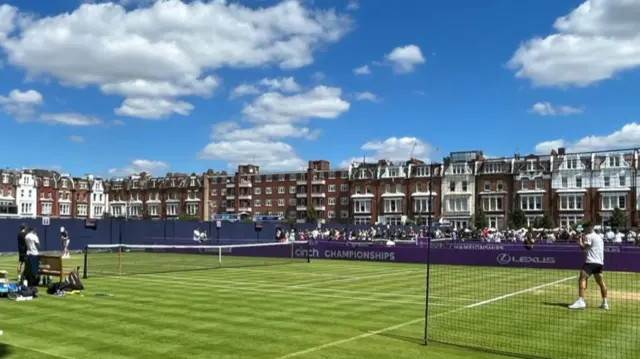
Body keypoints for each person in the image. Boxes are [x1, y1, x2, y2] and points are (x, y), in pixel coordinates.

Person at [569, 224, 608, 310]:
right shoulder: (599, 237)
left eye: (585, 228)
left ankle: (581, 301)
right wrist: (581, 238)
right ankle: (605, 303)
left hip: (590, 262)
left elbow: (583, 247)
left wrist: (579, 242)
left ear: (589, 228)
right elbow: (590, 245)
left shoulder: (589, 236)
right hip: (599, 263)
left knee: (582, 279)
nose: (584, 230)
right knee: (601, 282)